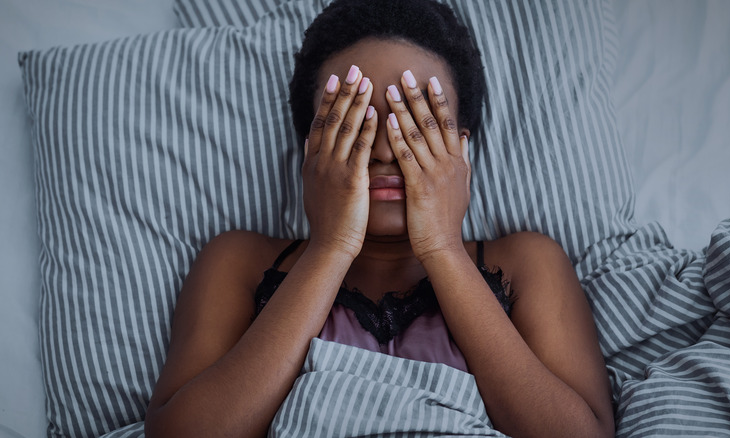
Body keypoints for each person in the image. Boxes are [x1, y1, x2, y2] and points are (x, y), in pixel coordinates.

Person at [145, 0, 615, 437]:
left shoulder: (525, 263)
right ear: (310, 148)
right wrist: (330, 247)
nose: (387, 152)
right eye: (356, 125)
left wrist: (443, 248)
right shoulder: (240, 262)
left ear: (462, 150)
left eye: (415, 124)